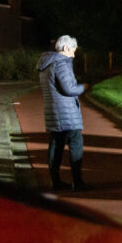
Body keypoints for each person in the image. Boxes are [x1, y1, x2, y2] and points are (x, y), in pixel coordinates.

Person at [36, 35, 87, 191]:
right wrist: (83, 87)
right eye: (73, 50)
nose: (73, 54)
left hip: (53, 111)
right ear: (65, 48)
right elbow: (69, 89)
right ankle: (77, 182)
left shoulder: (46, 64)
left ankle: (55, 181)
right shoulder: (61, 63)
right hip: (66, 113)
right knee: (76, 143)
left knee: (56, 145)